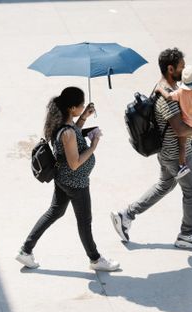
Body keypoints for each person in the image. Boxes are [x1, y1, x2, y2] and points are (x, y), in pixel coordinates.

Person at [111, 48, 192, 249]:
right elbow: (180, 128)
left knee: (165, 185)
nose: (183, 70)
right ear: (170, 69)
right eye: (181, 67)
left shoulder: (170, 89)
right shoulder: (168, 95)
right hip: (175, 154)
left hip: (166, 152)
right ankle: (187, 234)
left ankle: (126, 215)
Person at [16, 87, 120, 271]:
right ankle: (95, 259)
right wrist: (94, 145)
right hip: (75, 182)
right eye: (81, 105)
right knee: (84, 221)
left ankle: (26, 251)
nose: (83, 107)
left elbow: (71, 137)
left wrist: (83, 118)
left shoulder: (63, 123)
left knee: (55, 212)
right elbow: (75, 163)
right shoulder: (68, 132)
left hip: (62, 179)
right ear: (72, 107)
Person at [155, 65, 192, 179]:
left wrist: (159, 89)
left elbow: (169, 97)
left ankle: (182, 165)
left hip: (187, 122)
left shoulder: (180, 92)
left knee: (182, 145)